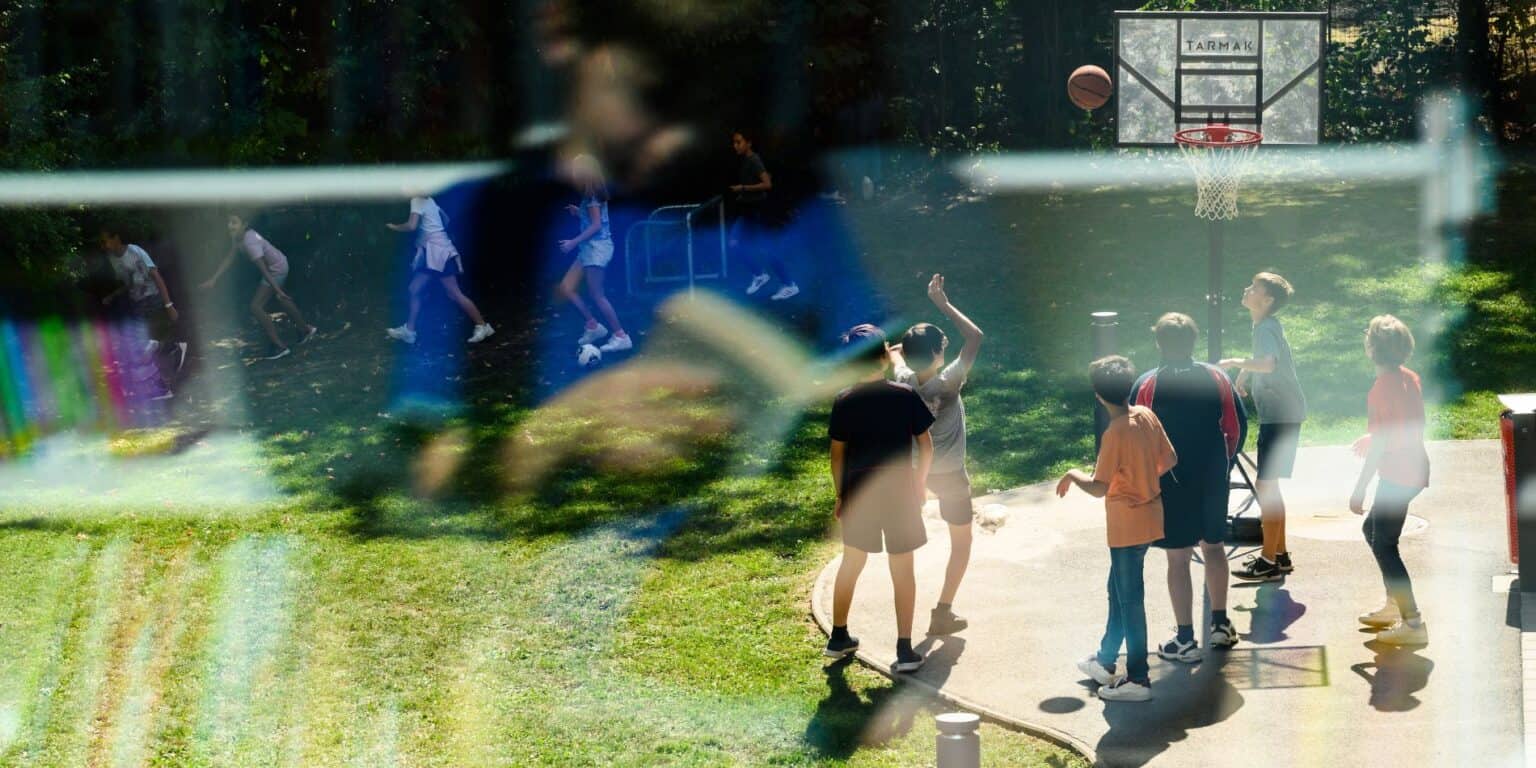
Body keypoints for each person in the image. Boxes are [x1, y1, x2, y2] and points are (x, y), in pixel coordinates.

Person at [1058, 355, 1177, 703]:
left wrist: (1071, 473)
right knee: (1118, 591)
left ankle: (1138, 678)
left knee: (1130, 599)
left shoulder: (1114, 433)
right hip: (1151, 516)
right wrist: (1142, 476)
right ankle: (1107, 659)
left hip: (1126, 525)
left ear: (1098, 395)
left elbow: (1098, 487)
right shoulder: (1146, 415)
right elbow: (1169, 459)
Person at [1130, 313, 1245, 662]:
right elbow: (1235, 427)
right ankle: (1221, 625)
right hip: (1211, 474)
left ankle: (1184, 639)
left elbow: (1138, 433)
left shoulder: (1147, 384)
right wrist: (1223, 460)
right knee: (1214, 547)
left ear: (1158, 342)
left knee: (1177, 558)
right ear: (1194, 341)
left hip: (1171, 479)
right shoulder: (1217, 377)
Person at [825, 324, 935, 674]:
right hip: (900, 494)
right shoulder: (904, 396)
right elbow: (926, 445)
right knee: (902, 570)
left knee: (851, 563)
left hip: (859, 495)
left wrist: (841, 494)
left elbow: (837, 456)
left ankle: (838, 636)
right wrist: (919, 482)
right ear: (885, 358)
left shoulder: (844, 401)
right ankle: (905, 650)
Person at [889, 273, 983, 636]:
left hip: (915, 474)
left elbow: (894, 352)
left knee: (907, 546)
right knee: (962, 542)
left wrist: (906, 345)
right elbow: (975, 337)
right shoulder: (949, 382)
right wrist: (942, 304)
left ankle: (906, 618)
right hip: (951, 476)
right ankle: (943, 610)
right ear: (938, 353)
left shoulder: (901, 379)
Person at [1351, 315, 1431, 646]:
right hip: (1412, 470)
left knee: (1383, 542)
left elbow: (1384, 442)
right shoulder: (1408, 378)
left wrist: (1359, 488)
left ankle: (1412, 623)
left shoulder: (1380, 390)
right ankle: (1394, 605)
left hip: (1397, 475)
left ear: (1371, 349)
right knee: (1373, 531)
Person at [1221, 272, 1307, 582]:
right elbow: (1267, 362)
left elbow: (1268, 363)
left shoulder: (1266, 328)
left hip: (1281, 415)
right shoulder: (1265, 326)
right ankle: (1279, 556)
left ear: (1267, 300)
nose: (1246, 289)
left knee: (1266, 487)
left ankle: (1268, 560)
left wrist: (1233, 362)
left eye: (1254, 288)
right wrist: (1246, 374)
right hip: (1284, 414)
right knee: (1270, 486)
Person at [201, 214, 318, 361]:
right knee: (279, 299)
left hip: (276, 269)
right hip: (277, 265)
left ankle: (280, 346)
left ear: (244, 225)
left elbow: (264, 270)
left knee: (256, 306)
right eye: (229, 222)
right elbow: (230, 257)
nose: (230, 226)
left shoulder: (250, 243)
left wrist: (278, 290)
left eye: (234, 223)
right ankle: (306, 330)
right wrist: (214, 279)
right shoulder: (238, 236)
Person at [385, 194, 494, 345]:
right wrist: (428, 236)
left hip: (438, 253)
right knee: (414, 289)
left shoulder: (417, 200)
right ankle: (409, 332)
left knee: (454, 293)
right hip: (432, 252)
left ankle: (482, 326)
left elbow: (411, 225)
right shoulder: (429, 200)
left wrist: (394, 227)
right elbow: (445, 220)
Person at [555, 154, 632, 353]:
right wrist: (578, 212)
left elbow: (597, 225)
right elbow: (594, 218)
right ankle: (593, 326)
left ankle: (621, 336)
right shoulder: (589, 192)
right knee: (567, 287)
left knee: (597, 295)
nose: (572, 172)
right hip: (590, 247)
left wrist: (573, 242)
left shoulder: (591, 194)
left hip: (596, 248)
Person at [99, 228, 183, 398]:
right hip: (138, 305)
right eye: (101, 242)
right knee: (143, 348)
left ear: (116, 237)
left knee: (148, 347)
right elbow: (129, 282)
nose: (104, 245)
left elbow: (156, 276)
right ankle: (162, 384)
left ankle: (170, 350)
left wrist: (169, 305)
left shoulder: (136, 252)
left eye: (105, 240)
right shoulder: (113, 259)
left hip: (154, 301)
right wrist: (112, 296)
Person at [729, 130, 799, 301]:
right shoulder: (746, 160)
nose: (736, 146)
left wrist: (743, 189)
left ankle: (789, 285)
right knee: (734, 244)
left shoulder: (754, 160)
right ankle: (759, 275)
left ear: (749, 143)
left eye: (739, 142)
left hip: (757, 211)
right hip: (748, 210)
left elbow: (767, 184)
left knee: (766, 249)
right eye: (734, 142)